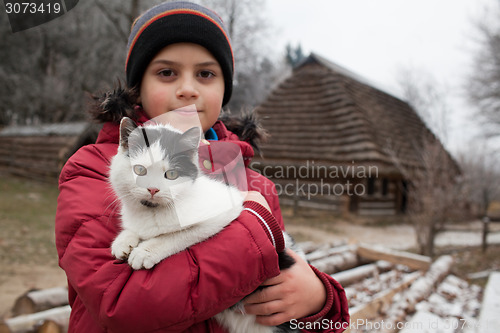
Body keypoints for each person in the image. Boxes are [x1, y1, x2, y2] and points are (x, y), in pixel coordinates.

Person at [55, 1, 349, 332]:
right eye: (167, 72)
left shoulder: (255, 182)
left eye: (206, 74)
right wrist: (253, 228)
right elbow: (122, 304)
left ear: (224, 90)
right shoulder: (94, 169)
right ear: (138, 85)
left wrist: (320, 301)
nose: (188, 90)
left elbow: (284, 275)